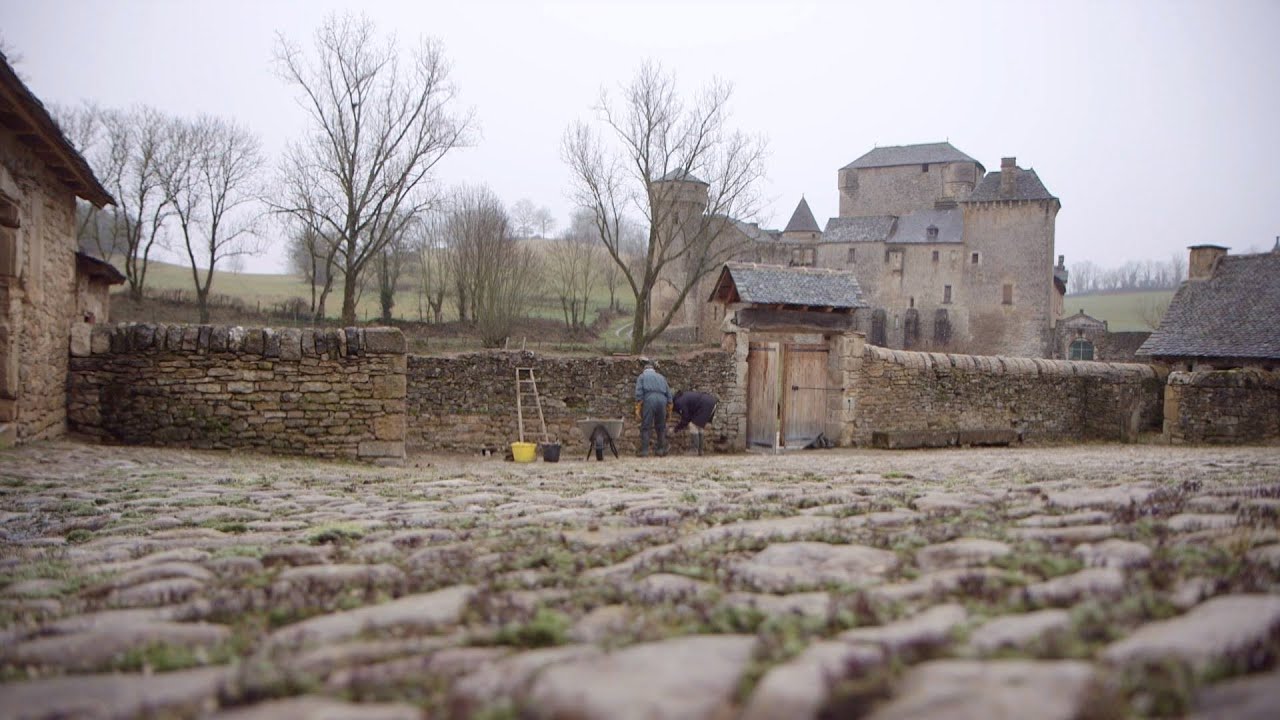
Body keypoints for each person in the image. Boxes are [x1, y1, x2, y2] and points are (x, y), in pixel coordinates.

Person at [633, 360, 671, 457]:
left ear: (644, 369)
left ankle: (645, 451)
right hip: (662, 399)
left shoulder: (642, 377)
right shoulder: (661, 377)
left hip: (649, 399)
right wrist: (669, 407)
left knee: (646, 426)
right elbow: (669, 393)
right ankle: (660, 450)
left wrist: (638, 407)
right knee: (661, 426)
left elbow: (639, 392)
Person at [673, 390, 718, 456]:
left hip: (705, 404)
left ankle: (694, 450)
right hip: (711, 402)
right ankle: (700, 451)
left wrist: (676, 428)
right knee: (699, 426)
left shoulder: (679, 402)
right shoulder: (683, 397)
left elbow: (685, 417)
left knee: (693, 425)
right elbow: (689, 415)